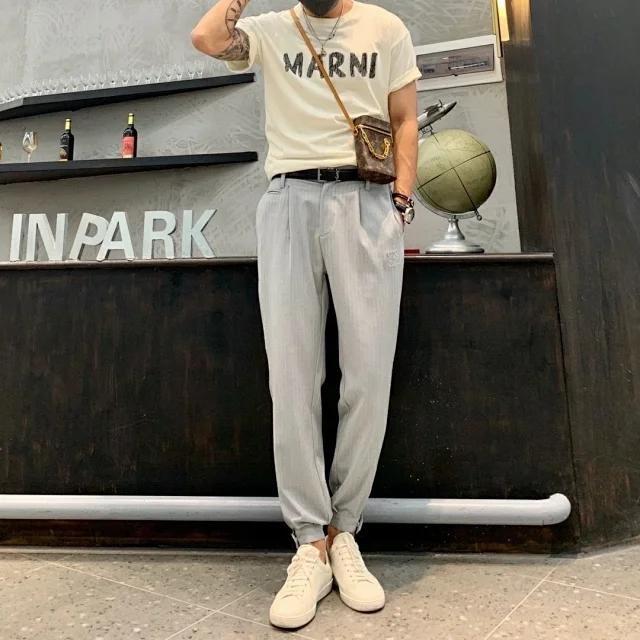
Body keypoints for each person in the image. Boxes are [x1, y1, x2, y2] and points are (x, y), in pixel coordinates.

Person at [192, 0, 420, 629]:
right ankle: (309, 543)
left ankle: (345, 531)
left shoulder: (386, 28)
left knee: (368, 376)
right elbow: (206, 37)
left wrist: (401, 198)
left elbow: (405, 119)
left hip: (366, 200)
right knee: (292, 378)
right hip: (289, 198)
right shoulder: (269, 31)